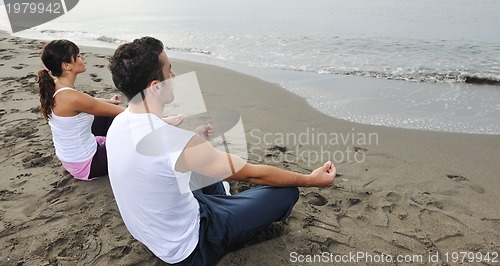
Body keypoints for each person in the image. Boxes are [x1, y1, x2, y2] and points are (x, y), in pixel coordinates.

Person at [106, 36, 336, 265]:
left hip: (153, 232)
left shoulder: (118, 123)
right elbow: (252, 174)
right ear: (155, 87)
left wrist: (190, 141)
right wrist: (310, 180)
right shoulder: (178, 144)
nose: (174, 77)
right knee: (286, 193)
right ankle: (228, 208)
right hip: (191, 246)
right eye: (170, 71)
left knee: (198, 165)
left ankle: (223, 200)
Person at [37, 39, 126, 181]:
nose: (82, 58)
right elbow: (125, 113)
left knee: (105, 116)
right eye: (77, 56)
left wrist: (110, 102)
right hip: (87, 164)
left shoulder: (57, 88)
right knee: (125, 126)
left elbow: (89, 103)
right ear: (66, 65)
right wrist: (162, 119)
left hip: (73, 160)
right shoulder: (71, 97)